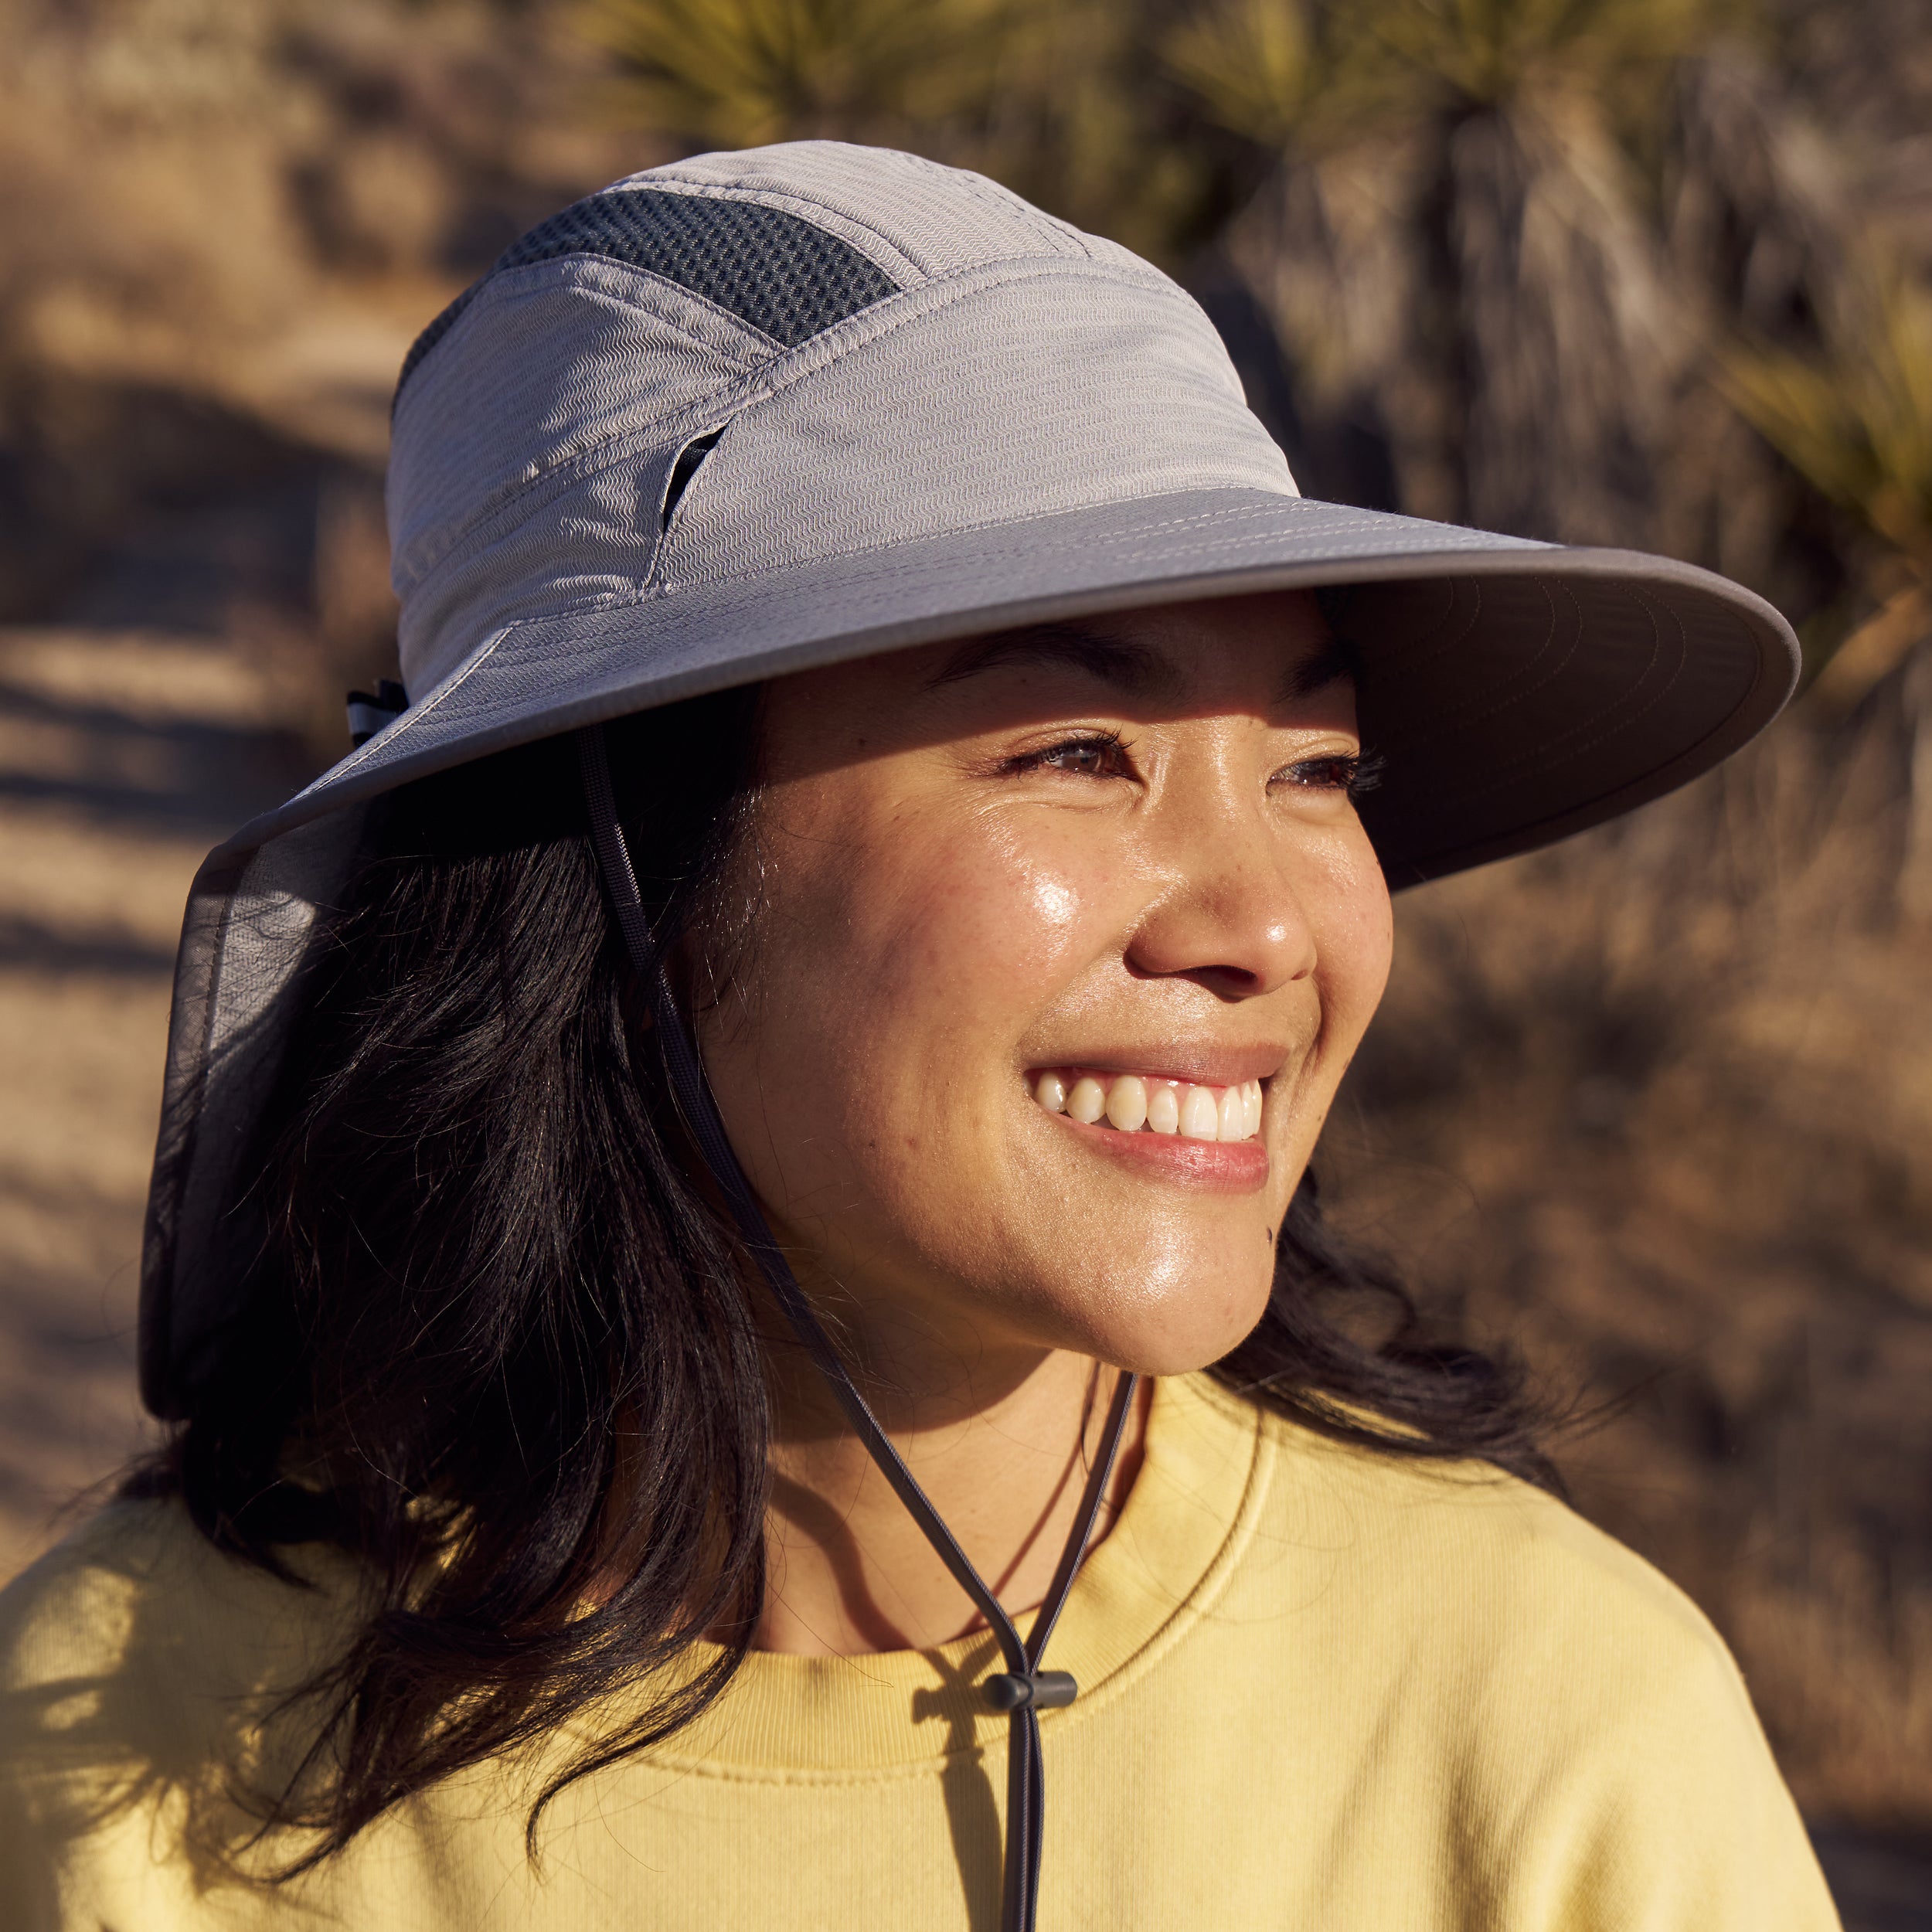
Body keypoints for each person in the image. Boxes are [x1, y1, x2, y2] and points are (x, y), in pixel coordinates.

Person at [0, 142, 1838, 1930]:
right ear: (613, 874)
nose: (1267, 924)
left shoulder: (1535, 1727)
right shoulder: (142, 1749)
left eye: (1316, 767)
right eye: (1070, 751)